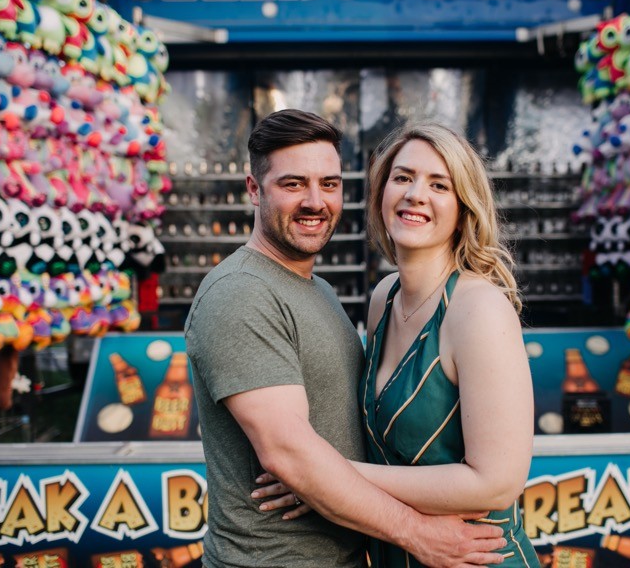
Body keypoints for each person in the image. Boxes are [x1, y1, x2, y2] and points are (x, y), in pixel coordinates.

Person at [185, 109, 510, 568]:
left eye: (329, 184)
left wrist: (331, 476)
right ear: (254, 190)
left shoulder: (319, 290)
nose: (315, 201)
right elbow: (289, 456)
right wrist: (417, 532)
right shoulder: (240, 292)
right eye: (293, 184)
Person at [256, 121, 540, 567]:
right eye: (403, 177)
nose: (415, 194)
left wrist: (322, 478)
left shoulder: (479, 309)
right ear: (381, 192)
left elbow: (497, 484)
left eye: (439, 185)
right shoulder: (383, 298)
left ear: (464, 208)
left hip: (473, 558)